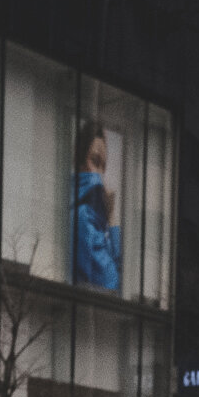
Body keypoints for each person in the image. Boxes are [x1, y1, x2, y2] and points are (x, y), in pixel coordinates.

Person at [72, 122, 122, 291]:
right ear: (79, 161)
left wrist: (111, 217)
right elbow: (114, 282)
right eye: (94, 161)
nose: (98, 174)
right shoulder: (84, 217)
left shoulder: (97, 220)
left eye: (102, 166)